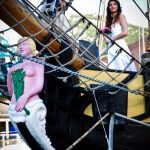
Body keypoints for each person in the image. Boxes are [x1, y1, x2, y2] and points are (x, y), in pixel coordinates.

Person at [7, 37, 55, 150]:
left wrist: (25, 96)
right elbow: (10, 88)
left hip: (32, 105)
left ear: (32, 46)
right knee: (28, 139)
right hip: (14, 107)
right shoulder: (13, 68)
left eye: (24, 44)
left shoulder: (38, 64)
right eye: (19, 45)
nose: (21, 47)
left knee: (42, 140)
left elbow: (39, 85)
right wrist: (15, 98)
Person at [105, 0, 137, 71]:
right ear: (108, 7)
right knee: (114, 67)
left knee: (122, 66)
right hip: (111, 46)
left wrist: (112, 39)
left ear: (118, 6)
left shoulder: (121, 16)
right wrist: (105, 36)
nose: (112, 6)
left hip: (120, 45)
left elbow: (125, 32)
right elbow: (107, 37)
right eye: (110, 5)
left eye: (115, 4)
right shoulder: (109, 20)